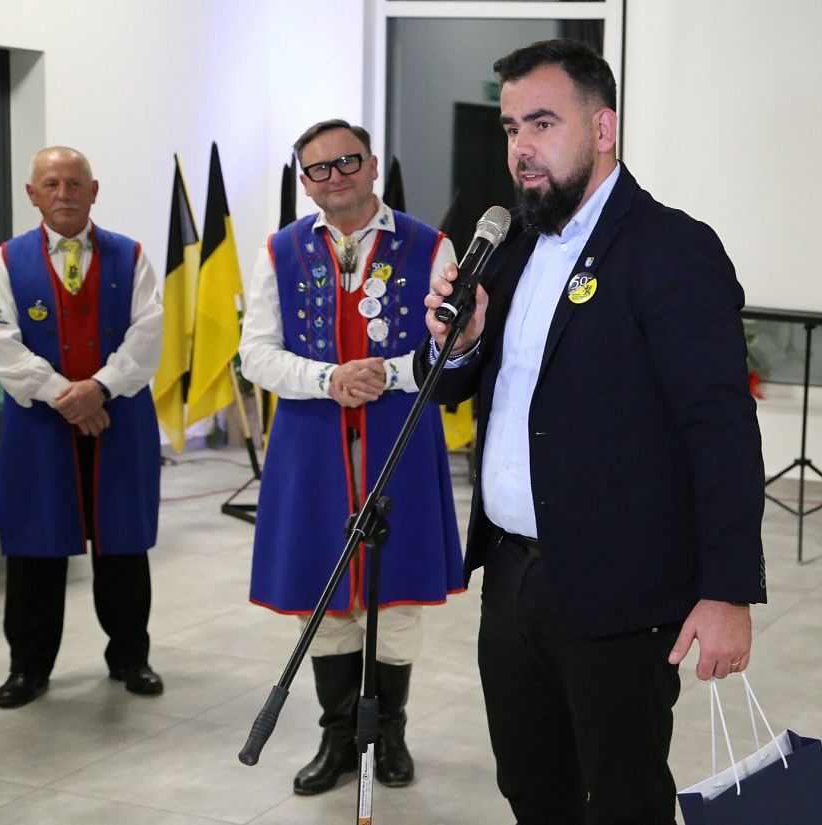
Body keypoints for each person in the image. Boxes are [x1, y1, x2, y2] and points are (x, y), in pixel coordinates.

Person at [419, 39, 767, 825]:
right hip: (512, 582)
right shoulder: (507, 245)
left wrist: (727, 591)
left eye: (543, 123)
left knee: (621, 802)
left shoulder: (671, 249)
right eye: (511, 128)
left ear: (603, 128)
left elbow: (720, 432)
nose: (521, 147)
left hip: (622, 595)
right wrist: (461, 337)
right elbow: (444, 383)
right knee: (531, 790)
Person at [240, 119, 463, 795]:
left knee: (394, 596)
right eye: (319, 168)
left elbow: (450, 345)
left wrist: (382, 374)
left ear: (371, 166)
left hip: (400, 439)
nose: (334, 176)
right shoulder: (279, 250)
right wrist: (327, 379)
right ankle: (337, 735)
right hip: (311, 446)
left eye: (347, 161)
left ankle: (387, 731)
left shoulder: (431, 245)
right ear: (304, 183)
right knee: (324, 591)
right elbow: (256, 354)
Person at [0, 147, 165, 709]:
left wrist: (99, 389)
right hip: (39, 424)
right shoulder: (6, 261)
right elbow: (1, 344)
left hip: (120, 417)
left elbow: (147, 335)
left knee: (122, 543)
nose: (64, 193)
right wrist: (67, 396)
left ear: (94, 190)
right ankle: (28, 668)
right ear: (32, 194)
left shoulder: (131, 256)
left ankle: (130, 656)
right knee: (35, 546)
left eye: (74, 183)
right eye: (51, 183)